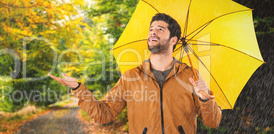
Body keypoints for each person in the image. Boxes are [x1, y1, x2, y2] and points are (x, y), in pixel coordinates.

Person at [48, 13, 222, 134]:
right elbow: (103, 113)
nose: (153, 31)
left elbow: (213, 122)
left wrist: (205, 99)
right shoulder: (131, 77)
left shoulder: (190, 76)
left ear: (173, 40)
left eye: (160, 29)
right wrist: (78, 88)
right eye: (151, 29)